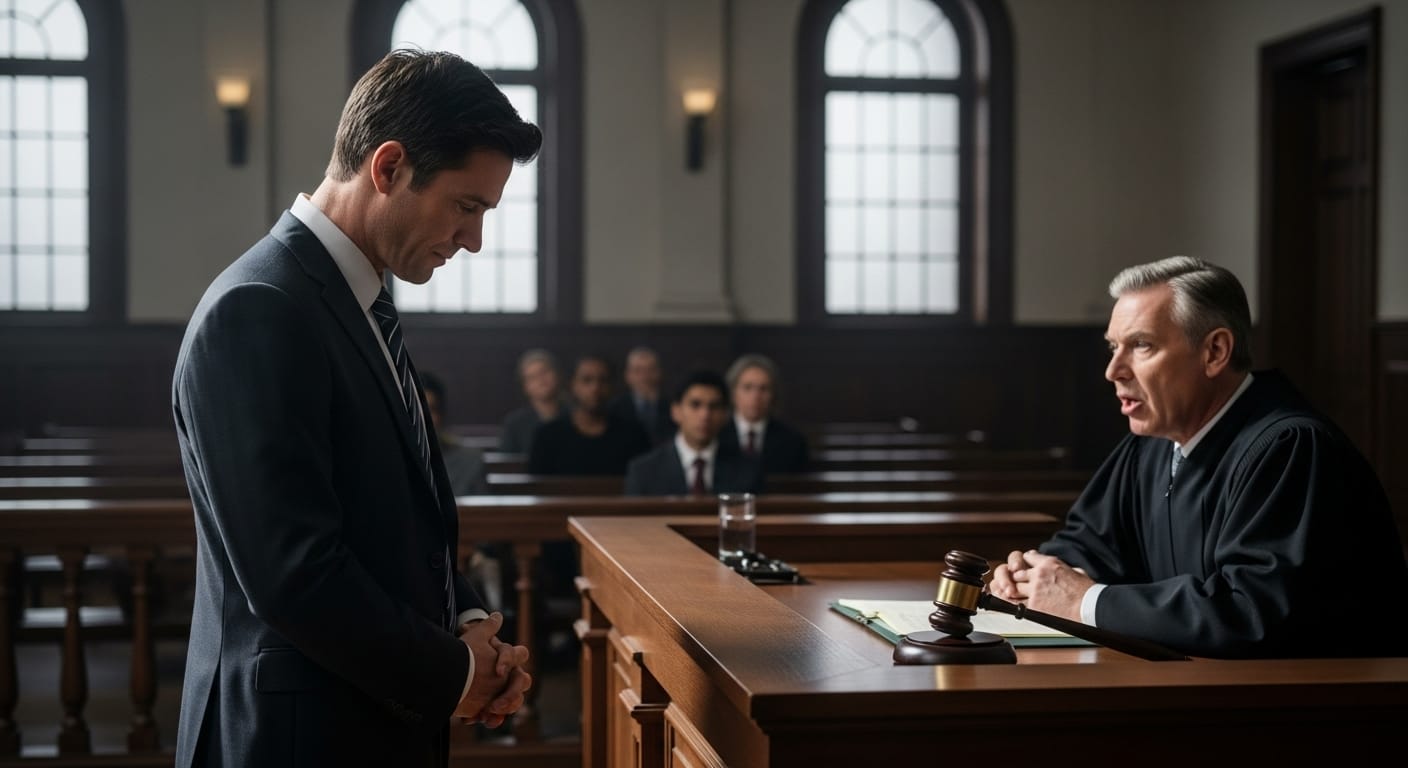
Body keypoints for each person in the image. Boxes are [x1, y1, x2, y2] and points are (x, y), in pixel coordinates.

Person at [171, 50, 540, 767]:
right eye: (467, 207)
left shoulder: (357, 296)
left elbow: (394, 514)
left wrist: (470, 628)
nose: (474, 240)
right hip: (292, 737)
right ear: (389, 167)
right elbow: (293, 573)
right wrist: (455, 674)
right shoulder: (259, 308)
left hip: (363, 716)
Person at [989, 256, 1408, 659]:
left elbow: (1252, 613)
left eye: (1141, 346)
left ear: (1215, 352)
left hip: (1321, 712)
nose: (1113, 370)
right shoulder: (1152, 442)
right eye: (1113, 347)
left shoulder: (1290, 448)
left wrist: (1084, 601)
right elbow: (1092, 545)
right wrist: (1032, 574)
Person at [625, 370, 763, 496]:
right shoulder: (643, 471)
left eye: (714, 407)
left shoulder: (746, 470)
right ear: (676, 411)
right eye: (695, 405)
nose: (705, 415)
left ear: (725, 415)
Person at [528, 355, 651, 475]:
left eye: (603, 380)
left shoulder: (633, 434)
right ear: (573, 385)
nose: (595, 388)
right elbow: (535, 487)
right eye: (586, 380)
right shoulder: (548, 436)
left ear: (612, 386)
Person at [720, 353, 810, 474]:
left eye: (763, 389)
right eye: (747, 387)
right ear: (733, 393)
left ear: (773, 395)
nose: (755, 396)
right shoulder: (716, 436)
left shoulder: (793, 442)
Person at [421, 371, 488, 495]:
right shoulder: (393, 461)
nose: (423, 418)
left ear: (441, 415)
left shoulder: (469, 461)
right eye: (416, 410)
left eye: (431, 409)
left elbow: (482, 512)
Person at [497, 348, 565, 455]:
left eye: (544, 372)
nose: (541, 380)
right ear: (525, 386)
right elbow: (506, 465)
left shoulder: (576, 416)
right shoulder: (514, 423)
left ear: (558, 375)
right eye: (532, 377)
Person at [607, 346, 675, 445]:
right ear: (627, 376)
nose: (644, 377)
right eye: (638, 371)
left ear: (660, 373)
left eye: (650, 370)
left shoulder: (673, 407)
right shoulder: (614, 409)